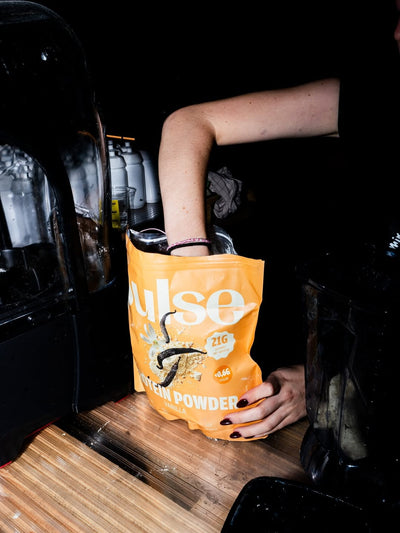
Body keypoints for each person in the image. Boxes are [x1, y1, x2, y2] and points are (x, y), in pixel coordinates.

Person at [157, 3, 400, 439]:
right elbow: (189, 124)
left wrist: (324, 381)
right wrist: (193, 275)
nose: (396, 33)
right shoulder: (379, 96)